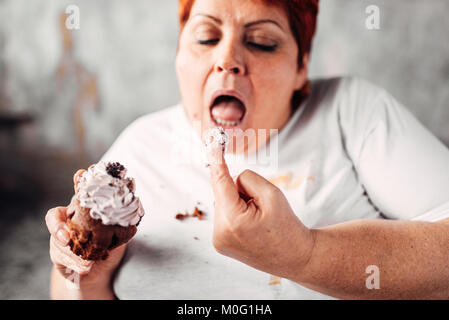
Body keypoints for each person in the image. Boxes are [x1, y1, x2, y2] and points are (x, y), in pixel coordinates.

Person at [46, 0, 449, 299]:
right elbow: (68, 290)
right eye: (206, 37)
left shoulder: (352, 112)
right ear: (178, 54)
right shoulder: (140, 144)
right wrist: (89, 274)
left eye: (261, 42)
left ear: (301, 66)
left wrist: (306, 256)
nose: (228, 59)